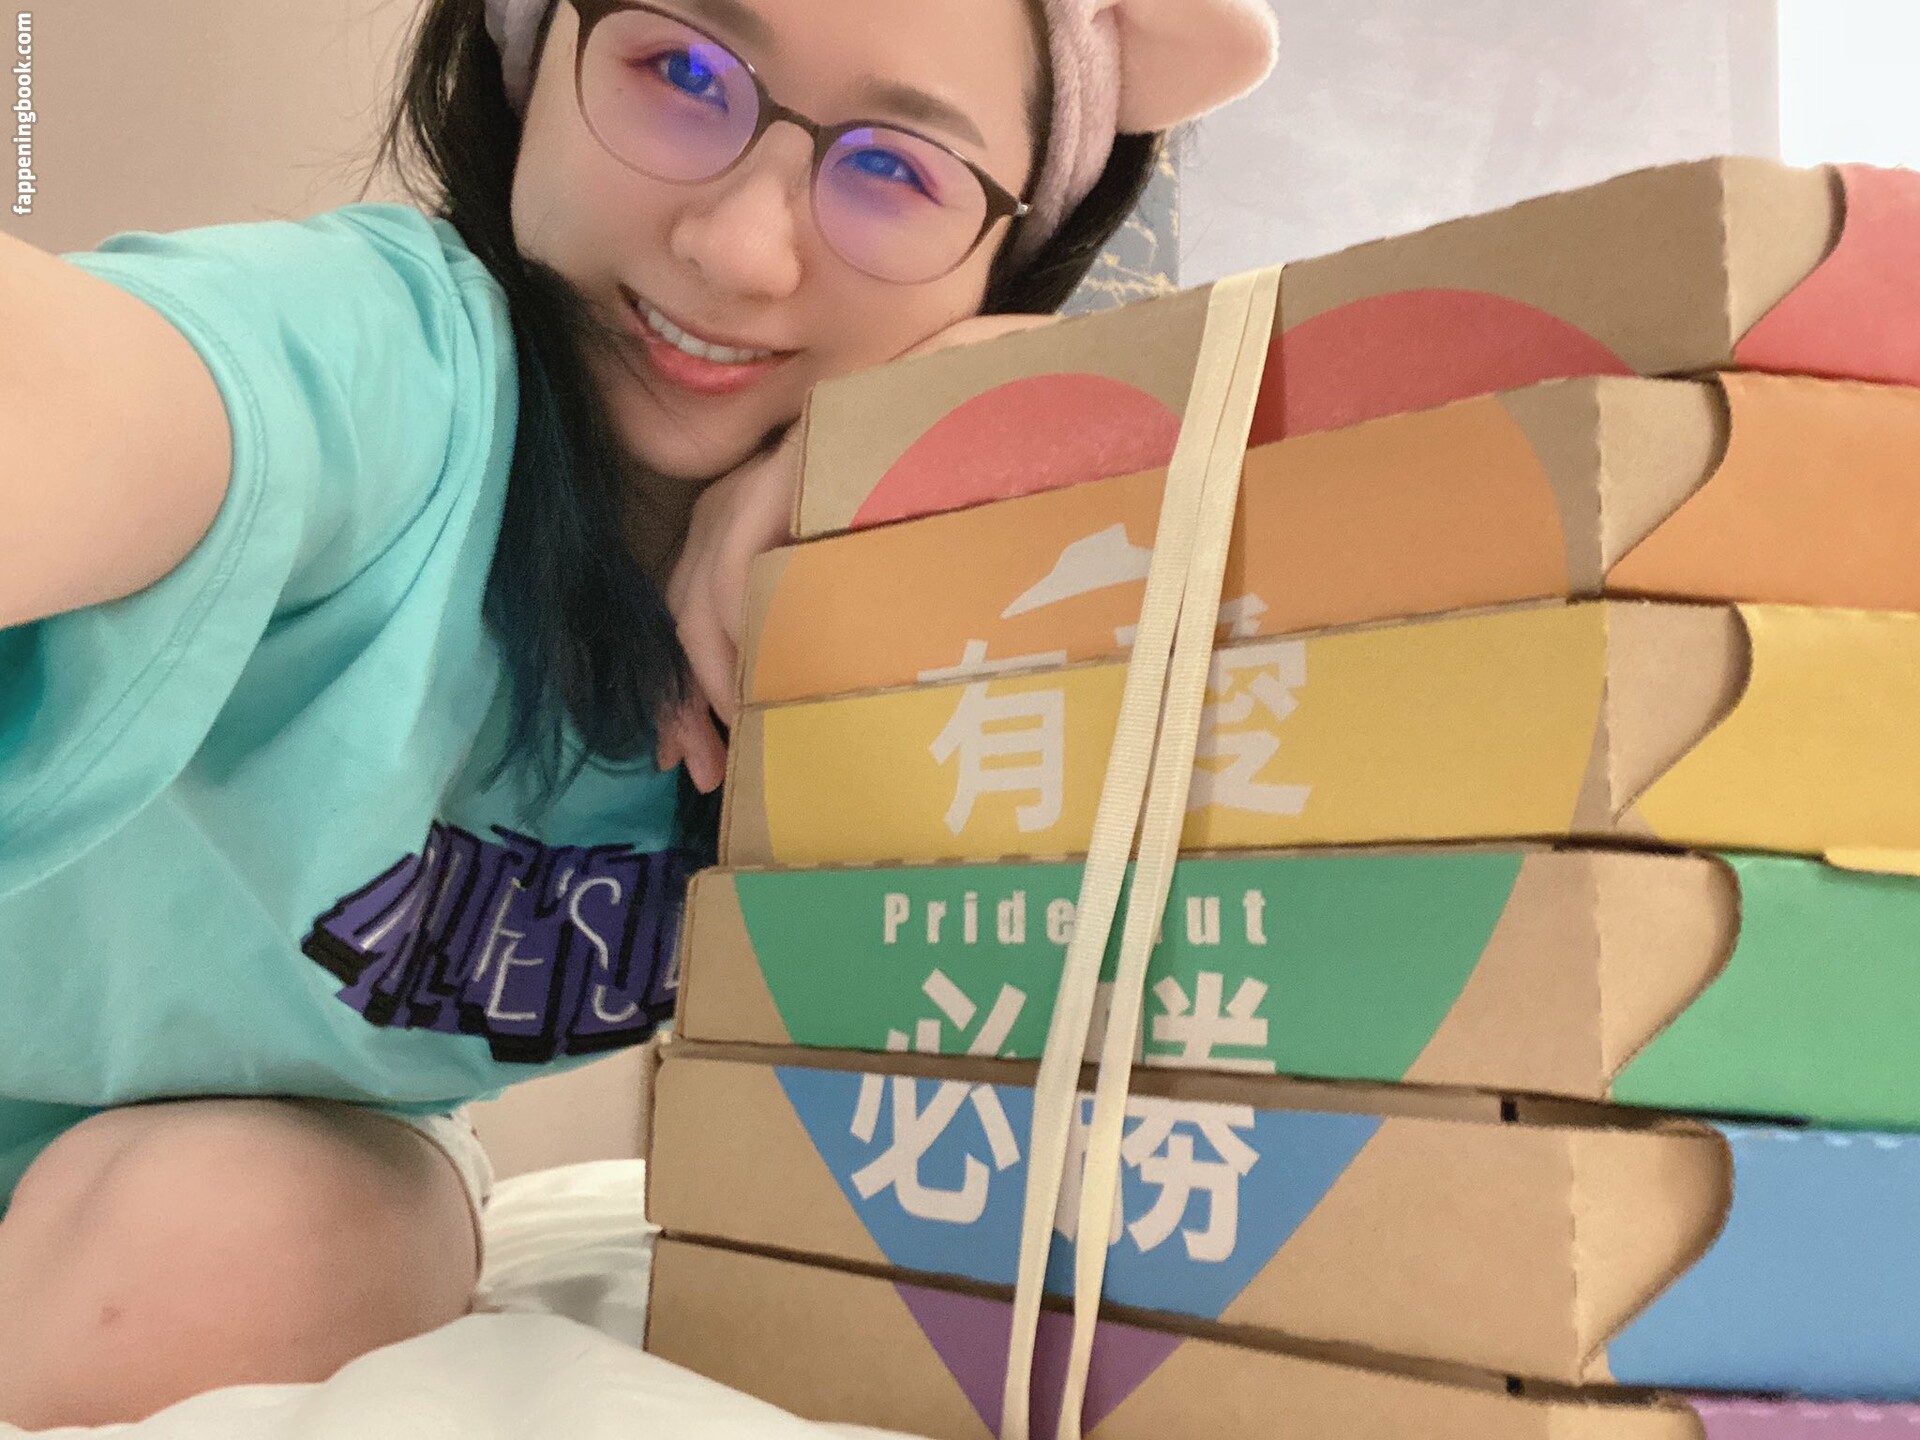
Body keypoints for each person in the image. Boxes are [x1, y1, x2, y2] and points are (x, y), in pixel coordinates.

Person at [0, 0, 1276, 1424]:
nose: (740, 250)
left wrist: (940, 425)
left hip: (244, 1170)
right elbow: (105, 389)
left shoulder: (937, 616)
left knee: (248, 1251)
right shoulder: (388, 366)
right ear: (534, 57)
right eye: (679, 70)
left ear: (1008, 253)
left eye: (896, 169)